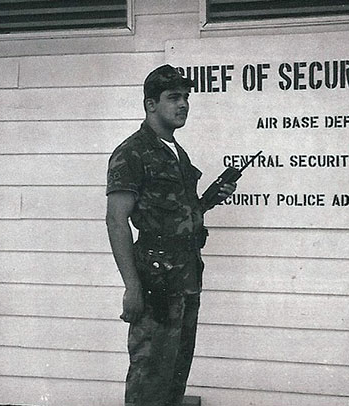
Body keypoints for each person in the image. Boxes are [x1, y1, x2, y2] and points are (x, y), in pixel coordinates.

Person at [105, 64, 236, 406]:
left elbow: (176, 215)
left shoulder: (177, 152)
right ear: (151, 104)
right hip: (156, 284)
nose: (183, 104)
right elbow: (116, 221)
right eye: (173, 97)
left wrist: (208, 200)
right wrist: (132, 287)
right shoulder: (132, 152)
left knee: (175, 378)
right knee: (150, 381)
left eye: (186, 97)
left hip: (187, 278)